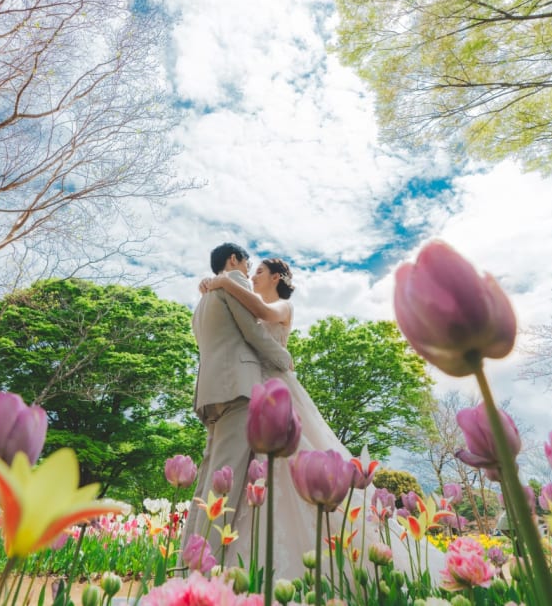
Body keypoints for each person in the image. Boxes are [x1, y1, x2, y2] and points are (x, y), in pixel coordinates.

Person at [201, 258, 447, 582]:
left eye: (259, 271)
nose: (253, 275)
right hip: (254, 394)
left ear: (276, 277)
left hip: (277, 390)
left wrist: (221, 282)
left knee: (295, 460)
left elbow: (262, 315)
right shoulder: (247, 305)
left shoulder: (283, 307)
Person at [181, 243, 293, 565]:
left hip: (211, 394)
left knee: (207, 487)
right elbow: (253, 333)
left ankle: (188, 564)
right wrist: (284, 359)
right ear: (234, 260)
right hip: (238, 391)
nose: (249, 271)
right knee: (224, 489)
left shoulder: (202, 300)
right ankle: (203, 571)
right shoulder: (233, 283)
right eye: (248, 265)